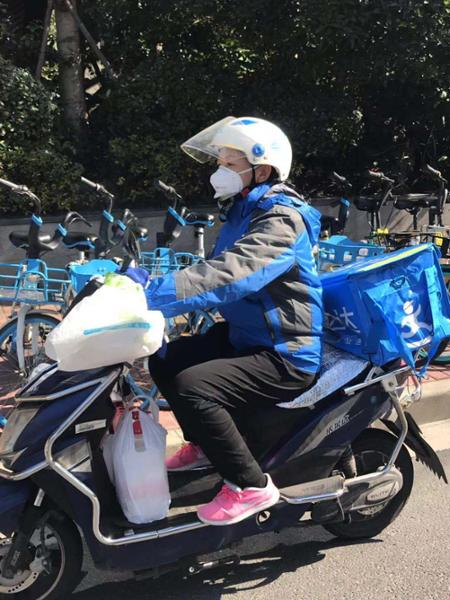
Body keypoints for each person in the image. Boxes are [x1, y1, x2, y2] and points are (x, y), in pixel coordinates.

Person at [136, 116, 323, 526]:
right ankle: (206, 445)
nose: (219, 172)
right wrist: (143, 282)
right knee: (165, 358)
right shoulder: (242, 211)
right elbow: (211, 269)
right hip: (248, 337)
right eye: (219, 162)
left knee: (193, 387)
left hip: (286, 351)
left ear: (262, 171)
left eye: (229, 163)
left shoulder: (281, 220)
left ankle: (250, 486)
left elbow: (234, 273)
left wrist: (150, 295)